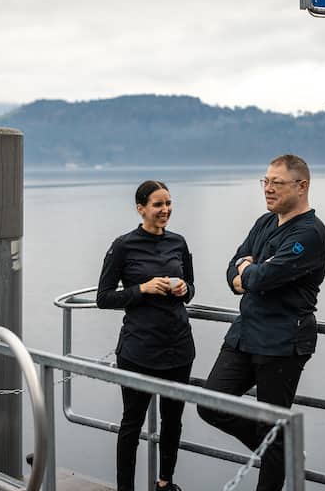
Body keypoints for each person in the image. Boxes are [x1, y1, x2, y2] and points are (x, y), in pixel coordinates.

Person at [197, 154, 325, 491]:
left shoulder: (310, 234)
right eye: (265, 182)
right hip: (244, 334)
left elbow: (262, 276)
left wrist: (249, 270)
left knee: (274, 425)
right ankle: (280, 450)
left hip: (283, 341)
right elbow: (233, 271)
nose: (268, 189)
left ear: (302, 186)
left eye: (277, 183)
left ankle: (277, 451)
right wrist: (246, 271)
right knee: (211, 403)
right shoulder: (264, 222)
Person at [97, 180, 195, 491]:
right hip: (138, 349)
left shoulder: (178, 243)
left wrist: (183, 288)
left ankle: (165, 483)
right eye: (158, 204)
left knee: (173, 421)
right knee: (132, 424)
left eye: (168, 203)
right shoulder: (124, 245)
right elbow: (104, 297)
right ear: (141, 208)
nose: (165, 209)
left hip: (178, 346)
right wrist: (142, 289)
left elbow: (191, 289)